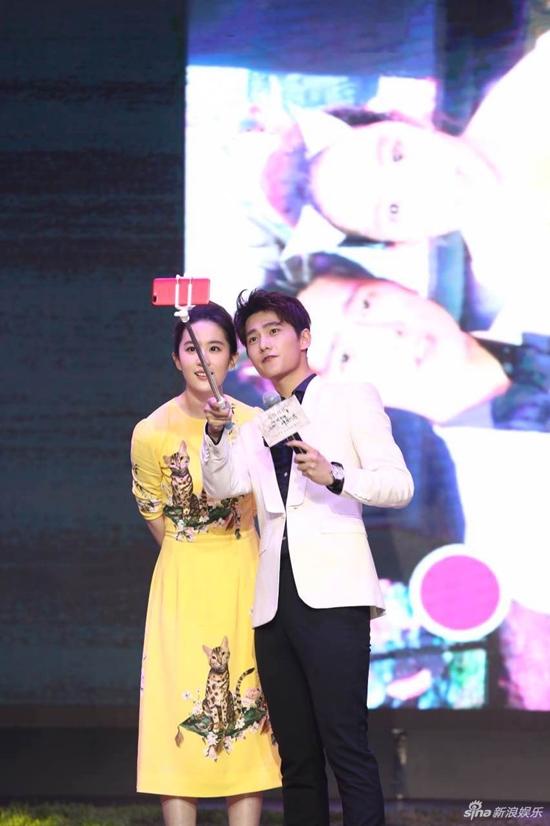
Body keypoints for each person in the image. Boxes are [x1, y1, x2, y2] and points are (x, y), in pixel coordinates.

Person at [201, 289, 414, 826]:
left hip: (334, 596)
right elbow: (222, 486)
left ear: (304, 338)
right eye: (252, 338)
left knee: (346, 745)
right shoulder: (257, 424)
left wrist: (335, 475)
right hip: (275, 603)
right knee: (296, 758)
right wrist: (217, 433)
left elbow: (398, 485)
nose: (262, 344)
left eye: (273, 331)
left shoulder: (350, 398)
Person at [130, 302, 280, 826]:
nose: (203, 359)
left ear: (232, 358)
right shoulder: (151, 431)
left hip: (244, 574)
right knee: (177, 705)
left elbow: (270, 505)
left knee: (246, 707)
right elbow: (153, 511)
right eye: (192, 348)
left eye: (215, 348)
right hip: (182, 581)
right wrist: (189, 546)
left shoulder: (256, 423)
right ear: (177, 358)